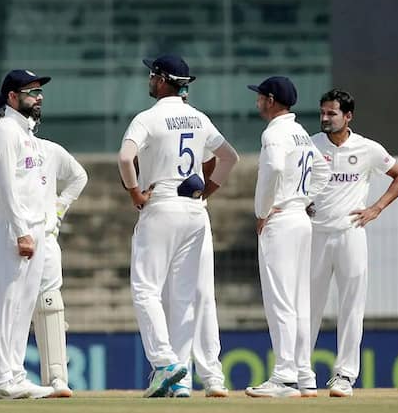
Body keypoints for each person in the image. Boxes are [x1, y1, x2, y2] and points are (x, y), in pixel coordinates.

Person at [118, 55, 239, 398]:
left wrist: (135, 194)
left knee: (146, 290)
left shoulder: (148, 118)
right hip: (194, 209)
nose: (149, 81)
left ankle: (165, 363)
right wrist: (208, 191)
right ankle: (182, 381)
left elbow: (126, 158)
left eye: (151, 76)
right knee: (185, 296)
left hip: (161, 204)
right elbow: (230, 157)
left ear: (161, 79)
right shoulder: (199, 117)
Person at [0, 96, 87, 398]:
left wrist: (58, 210)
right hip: (6, 235)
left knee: (46, 300)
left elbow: (79, 176)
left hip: (43, 236)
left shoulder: (47, 149)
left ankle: (56, 376)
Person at [309, 89, 398, 397]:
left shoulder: (367, 148)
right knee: (308, 306)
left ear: (348, 116)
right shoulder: (311, 145)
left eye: (332, 114)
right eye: (323, 113)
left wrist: (376, 208)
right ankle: (299, 371)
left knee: (351, 306)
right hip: (315, 234)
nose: (325, 118)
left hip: (351, 232)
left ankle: (344, 376)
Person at [245, 76, 331, 398]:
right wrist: (306, 199)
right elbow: (322, 171)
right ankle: (305, 374)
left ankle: (284, 377)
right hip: (299, 219)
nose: (257, 102)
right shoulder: (300, 133)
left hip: (280, 220)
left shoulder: (275, 133)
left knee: (280, 300)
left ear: (270, 100)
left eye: (259, 97)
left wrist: (262, 211)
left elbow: (274, 170)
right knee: (298, 301)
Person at [0, 69, 56, 399]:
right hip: (15, 228)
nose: (38, 97)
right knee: (8, 301)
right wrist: (21, 231)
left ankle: (14, 373)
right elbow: (6, 189)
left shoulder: (27, 133)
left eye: (39, 91)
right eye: (31, 91)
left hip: (35, 228)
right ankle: (2, 377)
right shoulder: (4, 132)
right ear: (12, 97)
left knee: (24, 304)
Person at [163, 152, 229, 398]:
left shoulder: (196, 123)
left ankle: (211, 375)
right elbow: (130, 160)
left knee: (202, 294)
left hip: (193, 212)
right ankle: (178, 375)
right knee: (169, 297)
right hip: (161, 214)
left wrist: (202, 192)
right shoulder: (148, 125)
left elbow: (219, 157)